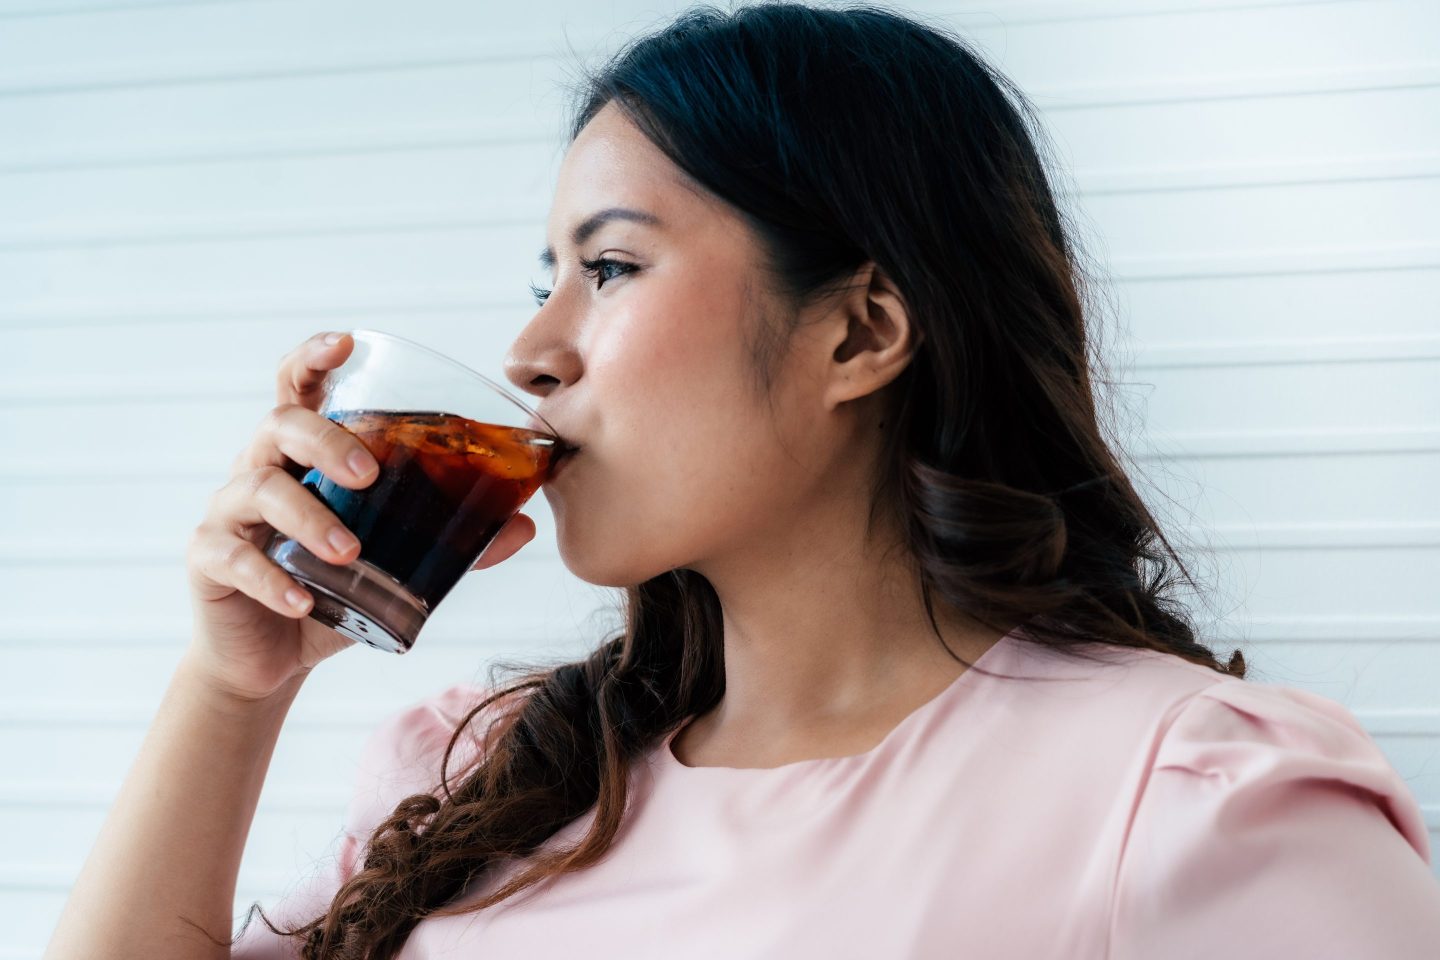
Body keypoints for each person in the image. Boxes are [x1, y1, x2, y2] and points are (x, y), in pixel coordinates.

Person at [43, 3, 1440, 959]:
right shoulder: (484, 773)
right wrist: (232, 695)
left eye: (609, 268)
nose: (530, 353)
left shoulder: (1193, 799)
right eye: (545, 282)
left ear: (860, 332)